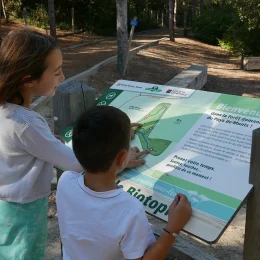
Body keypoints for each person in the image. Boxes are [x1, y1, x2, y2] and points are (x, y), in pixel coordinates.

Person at [0, 29, 147, 260]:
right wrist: (118, 155)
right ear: (28, 80)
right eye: (57, 71)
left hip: (7, 206)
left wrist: (48, 143)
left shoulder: (8, 111)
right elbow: (78, 163)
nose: (62, 77)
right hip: (24, 211)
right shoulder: (26, 123)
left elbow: (21, 148)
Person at [56, 105, 192, 260]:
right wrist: (173, 229)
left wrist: (116, 165)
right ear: (121, 158)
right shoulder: (130, 209)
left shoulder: (66, 181)